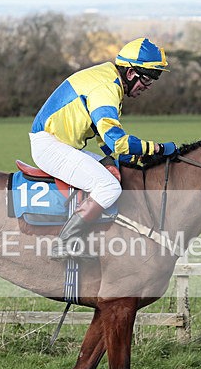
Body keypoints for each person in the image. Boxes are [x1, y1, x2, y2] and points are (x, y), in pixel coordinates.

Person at [30, 37, 178, 260]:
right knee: (108, 187)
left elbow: (102, 134)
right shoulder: (106, 87)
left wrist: (115, 158)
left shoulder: (108, 78)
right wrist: (156, 149)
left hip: (60, 144)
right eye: (147, 79)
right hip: (51, 147)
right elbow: (116, 140)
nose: (147, 87)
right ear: (131, 73)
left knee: (115, 170)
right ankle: (64, 243)